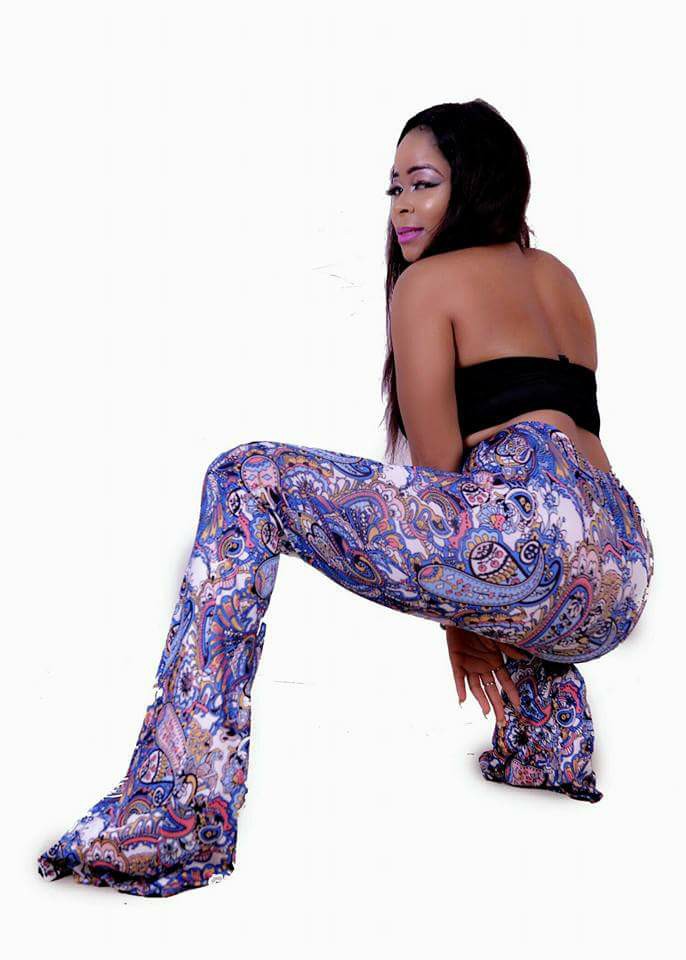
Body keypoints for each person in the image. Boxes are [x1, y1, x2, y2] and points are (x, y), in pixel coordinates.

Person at [36, 99, 654, 898]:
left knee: (246, 477)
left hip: (526, 540)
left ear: (476, 183)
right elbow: (564, 459)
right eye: (393, 188)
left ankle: (174, 809)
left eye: (423, 183)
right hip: (622, 570)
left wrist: (461, 629)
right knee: (519, 509)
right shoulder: (560, 278)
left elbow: (438, 484)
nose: (402, 208)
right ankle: (549, 742)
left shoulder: (429, 283)